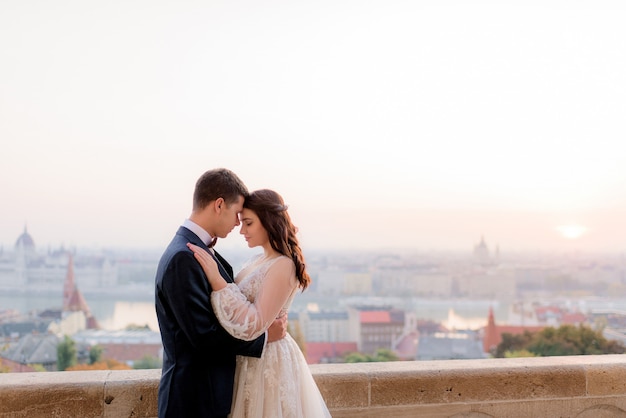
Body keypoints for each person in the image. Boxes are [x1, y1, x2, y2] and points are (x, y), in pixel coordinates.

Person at [155, 168, 288, 418]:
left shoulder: (192, 249)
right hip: (192, 401)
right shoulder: (184, 257)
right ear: (219, 205)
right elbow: (204, 336)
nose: (238, 223)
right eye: (237, 214)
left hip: (206, 398)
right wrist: (263, 336)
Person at [187, 189, 332, 418]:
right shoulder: (258, 259)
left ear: (268, 222)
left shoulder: (283, 264)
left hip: (268, 362)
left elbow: (255, 322)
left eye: (249, 223)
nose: (242, 231)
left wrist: (218, 282)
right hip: (250, 358)